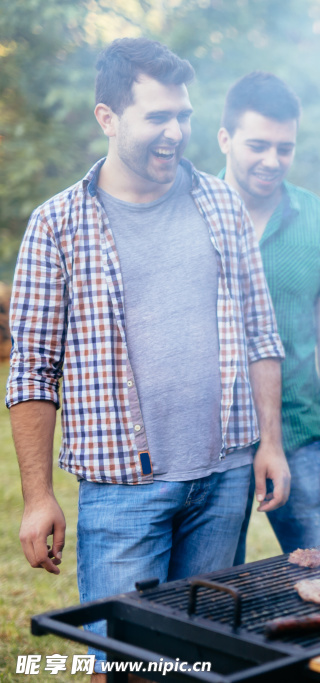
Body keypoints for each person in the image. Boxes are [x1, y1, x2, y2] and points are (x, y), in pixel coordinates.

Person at [6, 38, 289, 678]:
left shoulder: (222, 203)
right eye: (157, 117)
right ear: (107, 117)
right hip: (120, 493)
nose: (176, 132)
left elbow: (260, 334)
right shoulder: (57, 225)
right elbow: (32, 371)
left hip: (223, 478)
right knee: (129, 665)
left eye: (183, 115)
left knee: (208, 658)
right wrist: (36, 497)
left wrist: (269, 442)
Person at [218, 72, 320, 563]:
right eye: (257, 145)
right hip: (211, 444)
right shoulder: (190, 215)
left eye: (285, 148)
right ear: (225, 139)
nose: (271, 161)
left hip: (301, 434)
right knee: (207, 592)